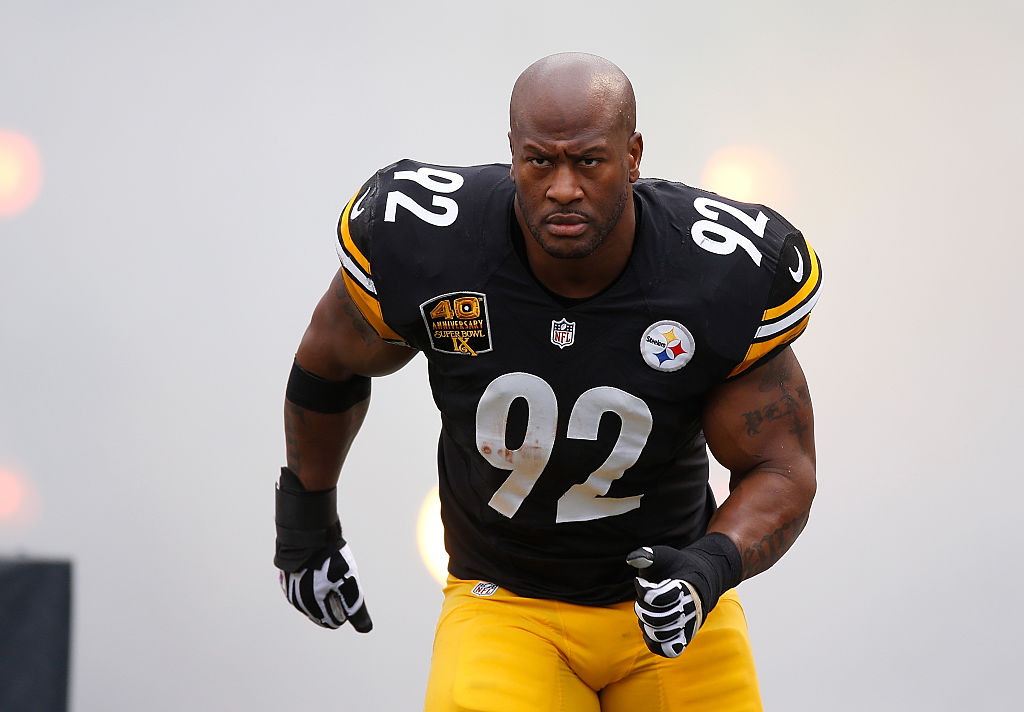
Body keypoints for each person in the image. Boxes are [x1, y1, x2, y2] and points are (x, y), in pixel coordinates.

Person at [274, 52, 820, 712]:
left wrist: (709, 568)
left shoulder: (713, 275)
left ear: (633, 153)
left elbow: (782, 467)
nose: (564, 187)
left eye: (588, 161)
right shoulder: (432, 244)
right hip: (505, 603)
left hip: (669, 607)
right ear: (512, 155)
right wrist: (305, 527)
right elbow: (330, 358)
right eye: (541, 161)